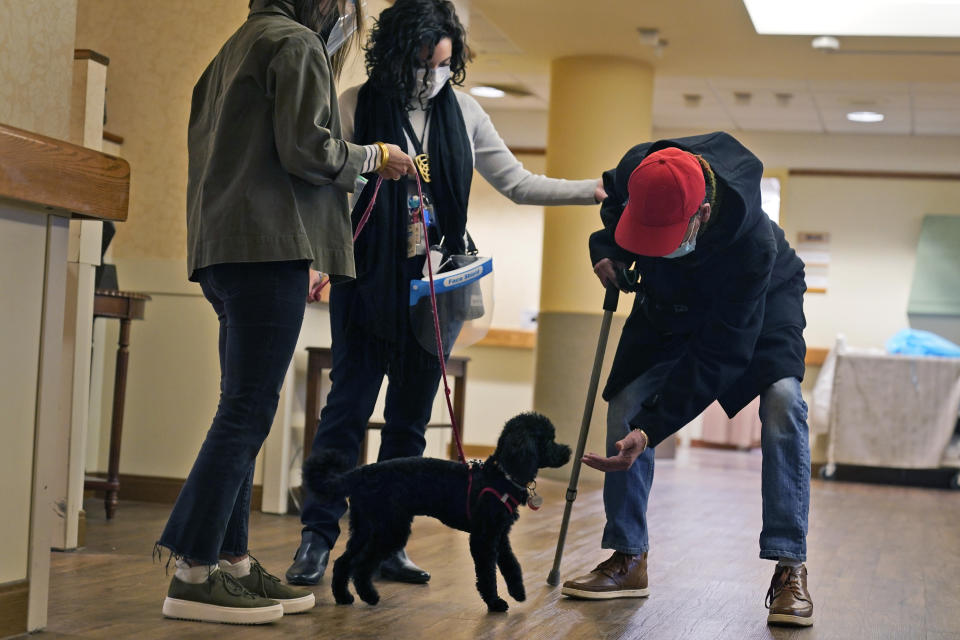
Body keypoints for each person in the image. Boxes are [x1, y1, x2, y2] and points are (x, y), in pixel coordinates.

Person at [287, 0, 606, 586]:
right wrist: (315, 259)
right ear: (396, 55)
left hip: (435, 287)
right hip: (365, 279)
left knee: (408, 423)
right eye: (421, 63)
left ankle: (384, 545)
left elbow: (516, 182)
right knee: (347, 412)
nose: (431, 76)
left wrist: (591, 191)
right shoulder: (357, 104)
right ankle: (316, 537)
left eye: (443, 64)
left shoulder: (464, 112)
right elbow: (325, 188)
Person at [157, 0, 415, 625]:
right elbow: (308, 149)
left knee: (240, 408)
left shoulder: (231, 51)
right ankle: (192, 570)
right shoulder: (295, 43)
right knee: (247, 412)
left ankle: (233, 561)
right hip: (268, 249)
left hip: (222, 251)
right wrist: (373, 156)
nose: (347, 17)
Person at [561, 133, 814, 628]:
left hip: (760, 305)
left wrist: (654, 428)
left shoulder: (752, 247)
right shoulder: (640, 168)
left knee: (784, 403)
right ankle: (628, 557)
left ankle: (790, 566)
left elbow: (721, 354)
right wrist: (605, 249)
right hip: (670, 299)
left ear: (700, 215)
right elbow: (613, 208)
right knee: (625, 402)